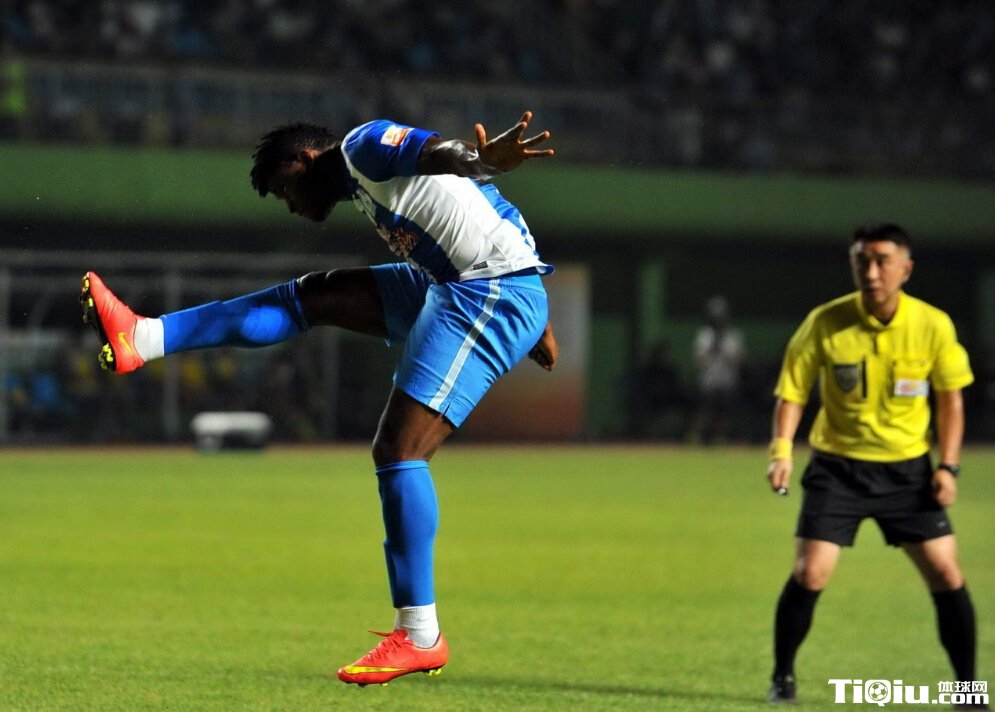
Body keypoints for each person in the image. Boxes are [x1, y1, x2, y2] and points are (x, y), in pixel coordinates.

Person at [79, 111, 559, 686]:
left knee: (399, 449)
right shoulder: (365, 185)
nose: (289, 205)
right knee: (309, 297)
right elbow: (490, 212)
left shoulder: (364, 145)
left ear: (303, 160)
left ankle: (420, 634)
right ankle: (142, 337)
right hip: (462, 281)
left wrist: (480, 160)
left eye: (284, 189)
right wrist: (538, 311)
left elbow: (439, 154)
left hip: (486, 289)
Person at [765, 223, 984, 708]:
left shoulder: (932, 325)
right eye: (861, 260)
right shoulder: (826, 321)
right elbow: (793, 392)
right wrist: (781, 452)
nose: (871, 271)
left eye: (883, 261)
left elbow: (951, 400)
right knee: (810, 572)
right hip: (838, 469)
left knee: (947, 574)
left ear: (906, 269)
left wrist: (948, 468)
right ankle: (782, 677)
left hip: (908, 472)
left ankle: (968, 691)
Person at [687, 295, 745, 444]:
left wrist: (726, 354)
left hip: (727, 380)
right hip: (708, 380)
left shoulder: (733, 335)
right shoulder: (704, 335)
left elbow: (739, 358)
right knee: (703, 410)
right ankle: (696, 436)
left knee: (724, 412)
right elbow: (697, 358)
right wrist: (710, 354)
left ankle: (720, 437)